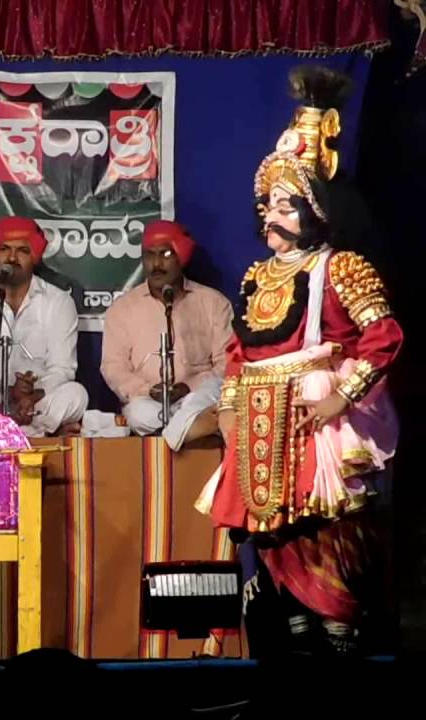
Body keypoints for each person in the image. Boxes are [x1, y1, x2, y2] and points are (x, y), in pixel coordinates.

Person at [195, 66, 400, 656]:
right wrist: (231, 410)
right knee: (274, 540)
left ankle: (339, 653)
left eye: (286, 203)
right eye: (266, 203)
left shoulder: (343, 268)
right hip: (261, 425)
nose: (271, 215)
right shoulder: (257, 276)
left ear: (315, 208)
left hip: (319, 422)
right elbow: (241, 351)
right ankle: (293, 654)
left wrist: (344, 394)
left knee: (326, 539)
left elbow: (384, 335)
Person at [0, 216, 88, 437]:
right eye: (4, 248)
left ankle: (11, 432)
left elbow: (62, 369)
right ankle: (40, 432)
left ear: (34, 256)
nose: (11, 258)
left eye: (22, 250)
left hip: (38, 404)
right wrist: (9, 393)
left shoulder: (59, 302)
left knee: (76, 394)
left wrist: (31, 396)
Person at [100, 220, 233, 449]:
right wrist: (147, 390)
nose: (156, 264)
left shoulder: (213, 303)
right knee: (140, 414)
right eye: (149, 255)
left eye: (166, 254)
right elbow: (113, 367)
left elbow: (227, 362)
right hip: (148, 404)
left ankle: (175, 431)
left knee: (211, 394)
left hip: (195, 398)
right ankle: (183, 431)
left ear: (182, 257)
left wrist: (189, 387)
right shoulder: (123, 308)